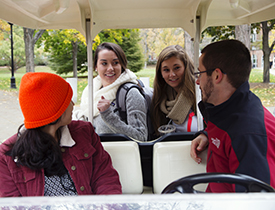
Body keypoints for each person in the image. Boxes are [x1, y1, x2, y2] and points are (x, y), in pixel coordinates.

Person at [0, 72, 122, 197]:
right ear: (54, 111)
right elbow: (11, 204)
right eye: (67, 100)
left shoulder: (84, 132)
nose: (73, 105)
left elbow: (105, 178)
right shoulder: (8, 154)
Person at [190, 39, 275, 192]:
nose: (197, 81)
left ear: (217, 76)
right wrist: (207, 134)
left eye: (200, 73)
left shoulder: (248, 134)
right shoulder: (224, 109)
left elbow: (257, 201)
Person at [75, 42, 148, 141]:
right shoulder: (91, 92)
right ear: (96, 66)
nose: (110, 68)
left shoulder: (131, 93)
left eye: (115, 63)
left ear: (122, 65)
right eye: (104, 63)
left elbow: (141, 137)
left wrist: (108, 115)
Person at [151, 45, 197, 136]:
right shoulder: (161, 97)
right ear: (160, 73)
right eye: (166, 70)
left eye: (177, 68)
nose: (172, 75)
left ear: (186, 67)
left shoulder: (199, 93)